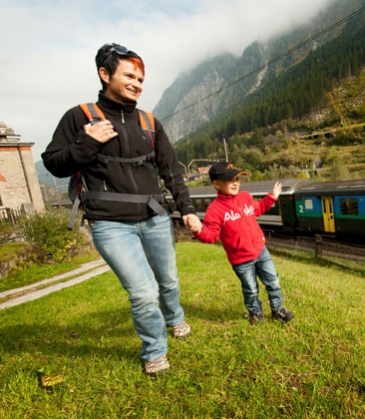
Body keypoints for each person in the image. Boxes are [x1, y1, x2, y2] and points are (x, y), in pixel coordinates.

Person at [42, 43, 202, 377]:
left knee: (168, 281)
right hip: (110, 223)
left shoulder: (149, 121)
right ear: (104, 74)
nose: (137, 83)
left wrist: (186, 208)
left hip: (155, 216)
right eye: (129, 75)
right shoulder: (80, 117)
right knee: (143, 292)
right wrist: (88, 143)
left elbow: (171, 169)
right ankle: (155, 350)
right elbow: (53, 163)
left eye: (141, 78)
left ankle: (174, 317)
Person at [193, 161, 294, 325]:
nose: (235, 183)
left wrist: (271, 198)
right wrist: (199, 230)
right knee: (251, 289)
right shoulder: (215, 210)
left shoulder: (246, 197)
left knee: (273, 282)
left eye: (237, 179)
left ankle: (278, 310)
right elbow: (211, 236)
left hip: (261, 251)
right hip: (241, 260)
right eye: (230, 180)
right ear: (216, 184)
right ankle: (256, 314)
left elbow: (258, 209)